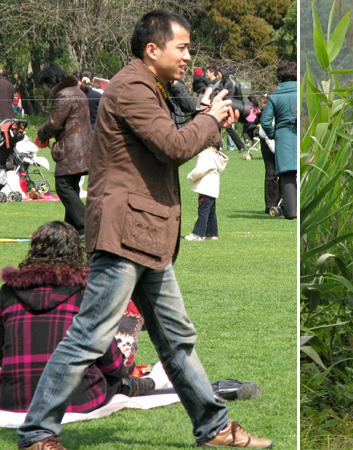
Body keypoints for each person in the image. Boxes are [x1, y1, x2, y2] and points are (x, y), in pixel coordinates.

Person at [16, 9, 272, 450]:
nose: (189, 56)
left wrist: (209, 124)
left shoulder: (150, 86)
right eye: (183, 47)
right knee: (89, 335)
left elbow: (166, 145)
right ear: (153, 50)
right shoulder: (132, 86)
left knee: (178, 339)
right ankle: (38, 432)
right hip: (125, 234)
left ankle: (214, 427)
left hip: (146, 235)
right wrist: (208, 118)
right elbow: (173, 148)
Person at [0, 221, 168, 414]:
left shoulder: (8, 292)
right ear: (75, 252)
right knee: (117, 380)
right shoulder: (84, 294)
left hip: (12, 399)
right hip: (77, 398)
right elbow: (112, 364)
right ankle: (152, 382)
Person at [37, 63, 93, 239]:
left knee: (63, 186)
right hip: (85, 148)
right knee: (71, 187)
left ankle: (86, 224)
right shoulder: (78, 91)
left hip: (71, 150)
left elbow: (54, 123)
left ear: (52, 80)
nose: (46, 88)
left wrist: (41, 133)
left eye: (46, 84)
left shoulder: (63, 95)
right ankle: (73, 229)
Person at [260, 61, 297, 220]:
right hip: (300, 132)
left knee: (287, 173)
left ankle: (290, 212)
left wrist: (274, 134)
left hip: (283, 135)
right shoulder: (301, 90)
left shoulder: (275, 95)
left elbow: (266, 121)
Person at [185, 147, 228, 241]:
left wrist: (190, 177)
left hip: (205, 188)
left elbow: (200, 170)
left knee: (203, 211)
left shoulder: (207, 155)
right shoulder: (216, 155)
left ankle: (198, 234)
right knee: (211, 212)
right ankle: (212, 233)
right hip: (213, 188)